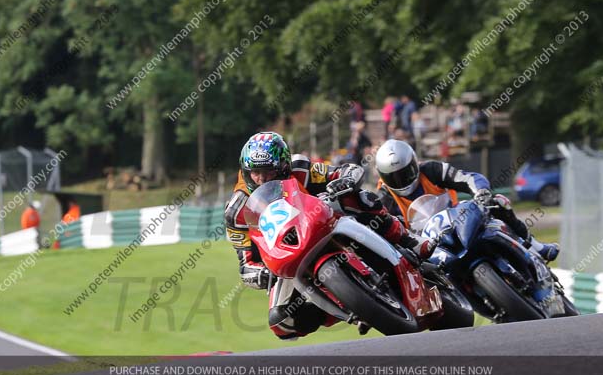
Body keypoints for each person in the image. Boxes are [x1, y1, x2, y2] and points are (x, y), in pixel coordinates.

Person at [225, 132, 432, 340]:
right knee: (281, 322)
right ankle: (350, 308)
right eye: (255, 173)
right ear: (245, 171)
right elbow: (245, 265)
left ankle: (408, 240)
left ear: (284, 167)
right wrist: (261, 274)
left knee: (361, 198)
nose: (261, 179)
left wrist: (343, 182)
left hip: (320, 219)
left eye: (268, 172)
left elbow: (349, 170)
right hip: (285, 254)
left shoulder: (300, 168)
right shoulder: (236, 211)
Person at [374, 139, 559, 262]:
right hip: (427, 244)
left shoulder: (431, 170)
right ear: (383, 176)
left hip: (457, 217)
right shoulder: (384, 198)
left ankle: (535, 246)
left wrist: (481, 191)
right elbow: (388, 231)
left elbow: (467, 177)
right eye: (393, 178)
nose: (402, 181)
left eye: (406, 173)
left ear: (415, 163)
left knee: (498, 202)